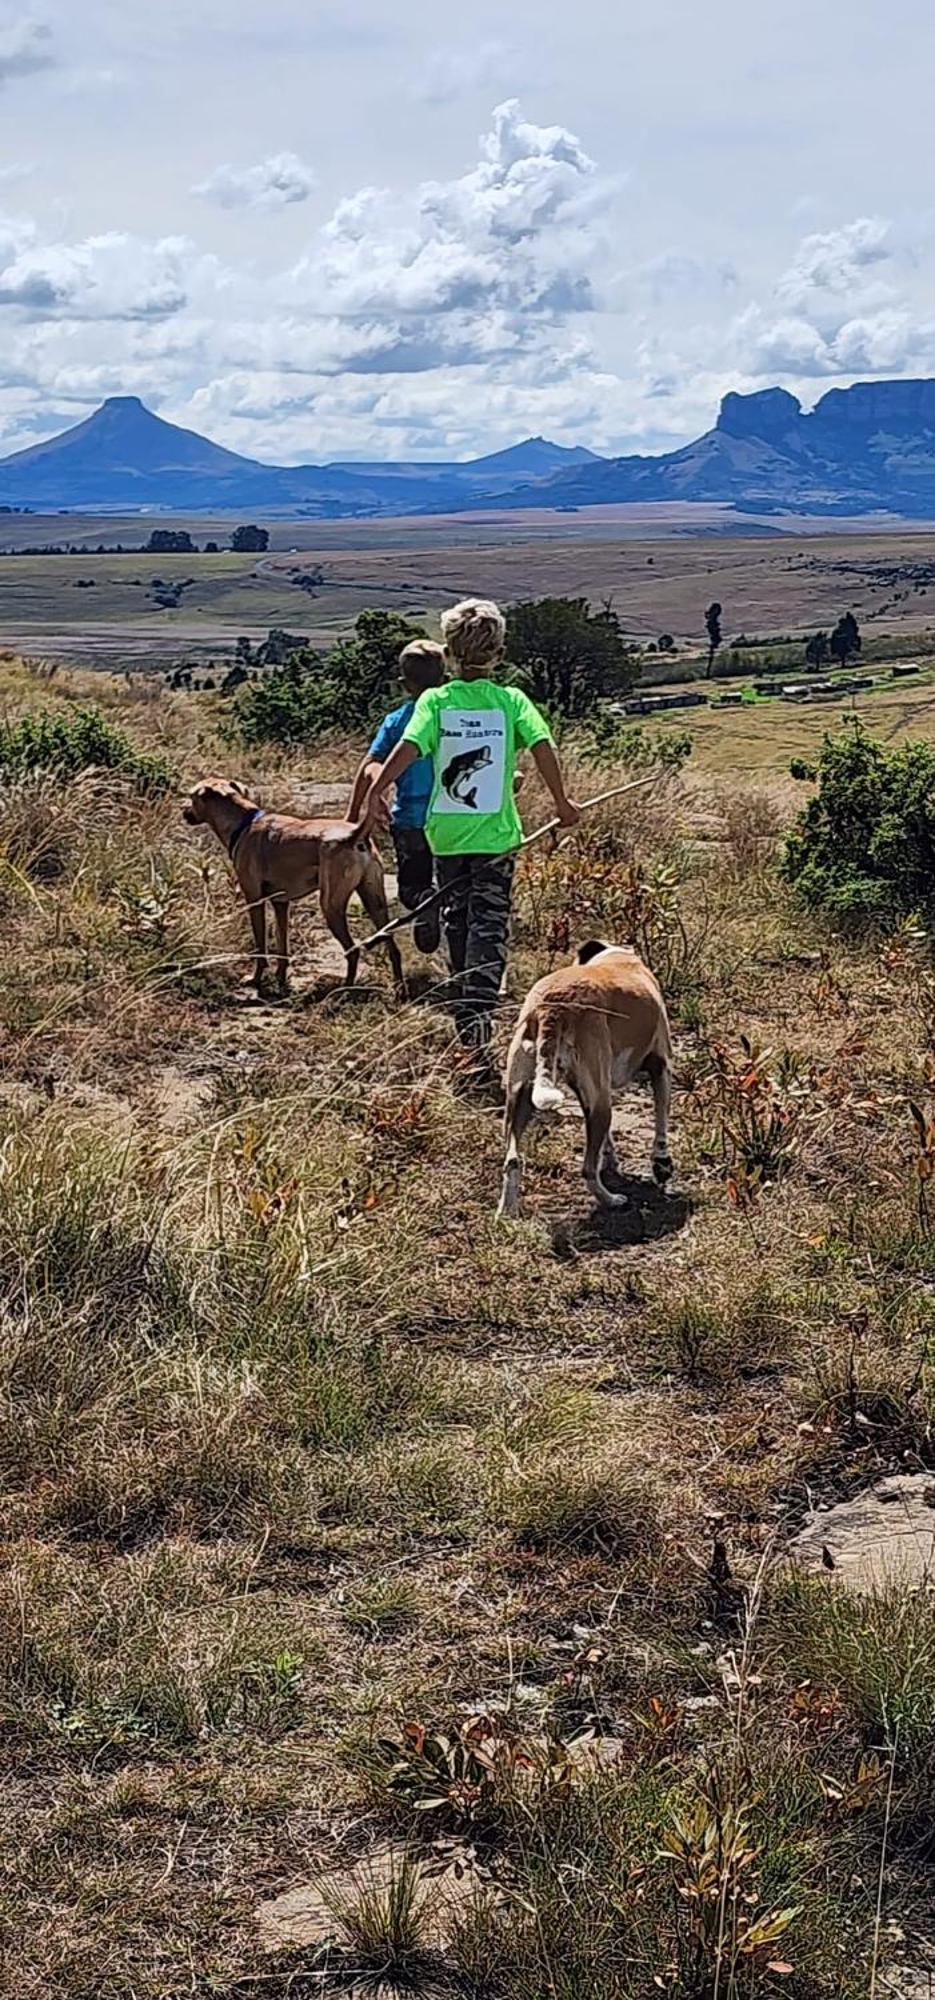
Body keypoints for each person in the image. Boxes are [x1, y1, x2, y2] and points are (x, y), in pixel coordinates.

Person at [361, 597, 579, 1067]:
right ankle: (478, 1011)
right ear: (499, 652)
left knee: (458, 916)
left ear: (451, 652)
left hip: (447, 834)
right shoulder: (510, 701)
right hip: (496, 836)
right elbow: (543, 747)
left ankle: (465, 1000)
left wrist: (375, 792)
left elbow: (408, 748)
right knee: (491, 921)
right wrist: (562, 803)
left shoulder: (437, 701)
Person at [348, 639, 446, 954]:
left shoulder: (397, 721)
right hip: (457, 818)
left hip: (410, 820)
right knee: (455, 882)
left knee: (410, 885)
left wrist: (354, 813)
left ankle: (422, 901)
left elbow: (370, 764)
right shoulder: (458, 716)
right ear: (444, 679)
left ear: (403, 684)